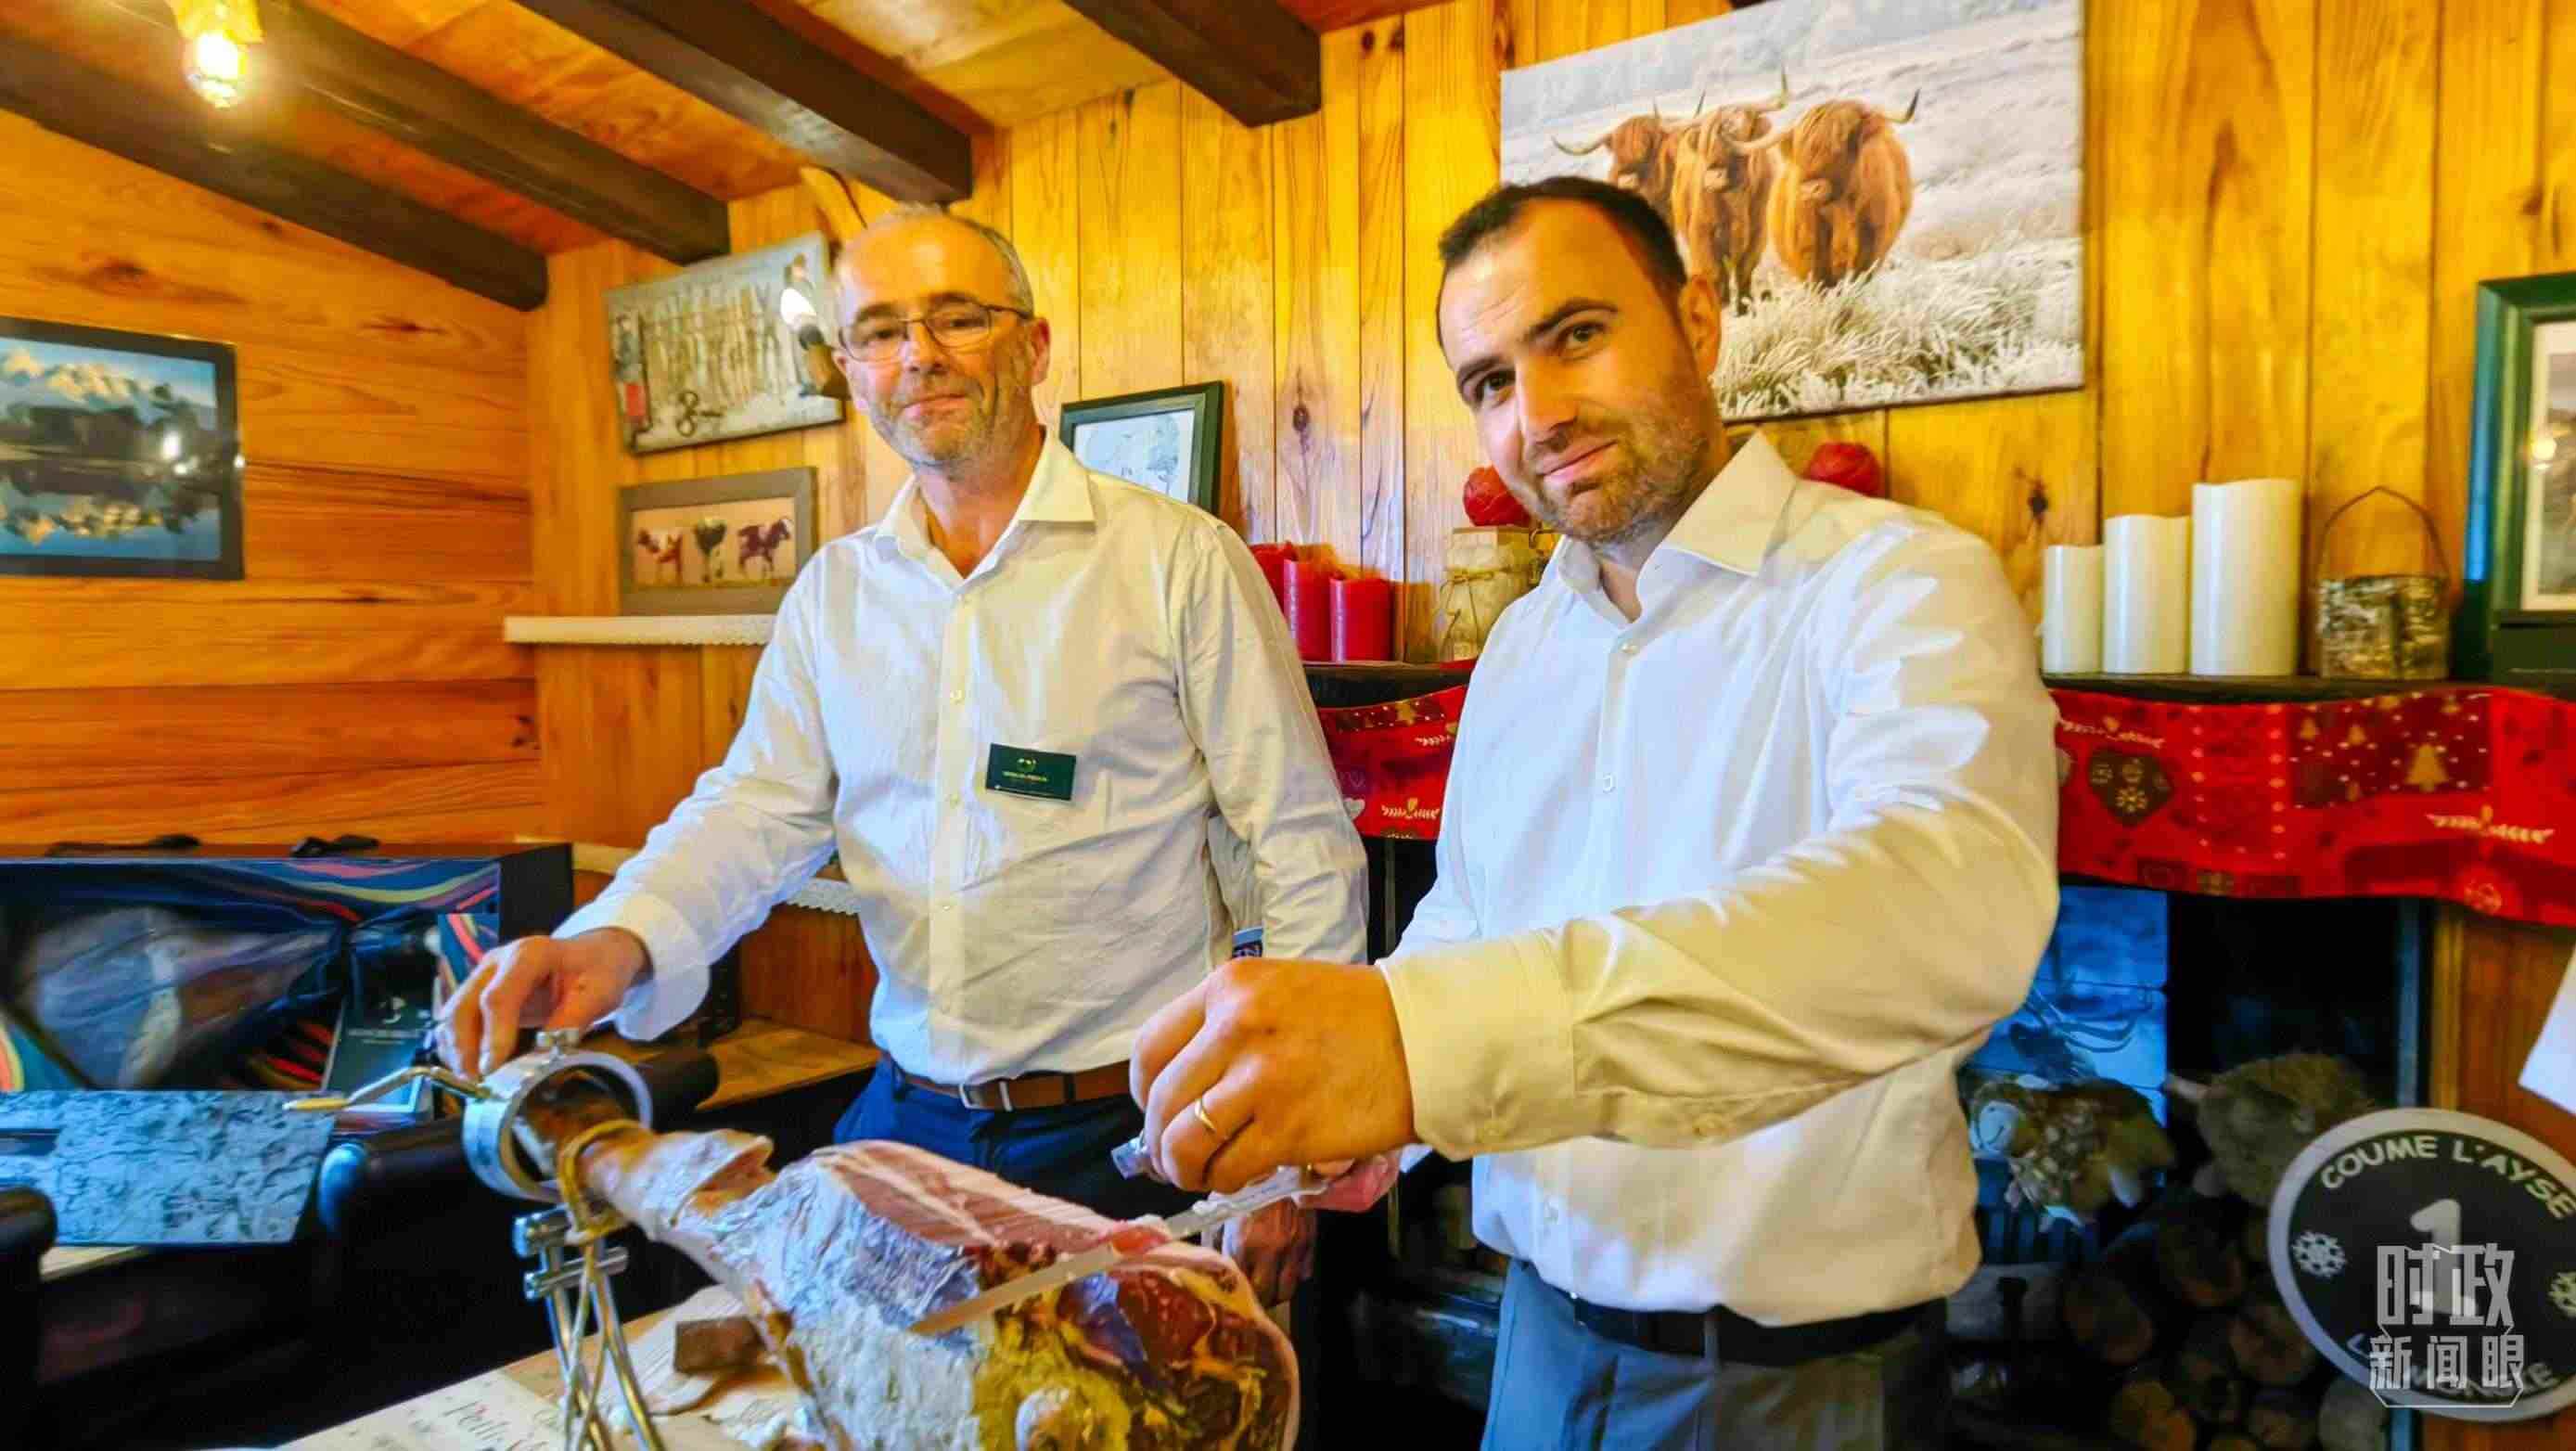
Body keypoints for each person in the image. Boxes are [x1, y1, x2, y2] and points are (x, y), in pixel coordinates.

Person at [1130, 176, 2060, 1448]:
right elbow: (1470, 918)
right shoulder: (1521, 646)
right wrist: (1367, 1103)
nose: (1539, 413)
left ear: (1697, 321)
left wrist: (1423, 1045)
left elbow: (1939, 910)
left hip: (1795, 1383)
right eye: (1489, 383)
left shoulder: (1895, 582)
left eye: (1574, 335)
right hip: (1537, 1351)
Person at [438, 205, 1367, 1303]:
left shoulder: (1178, 562)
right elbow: (755, 810)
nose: (917, 353)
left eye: (956, 317)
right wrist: (615, 940)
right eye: (879, 331)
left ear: (1034, 345)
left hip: (1139, 1133)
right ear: (850, 370)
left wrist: (1283, 1148)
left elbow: (1298, 846)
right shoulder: (833, 594)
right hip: (906, 1127)